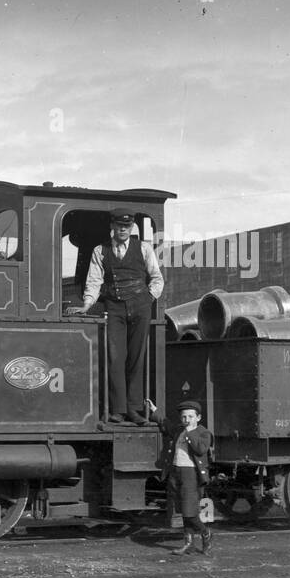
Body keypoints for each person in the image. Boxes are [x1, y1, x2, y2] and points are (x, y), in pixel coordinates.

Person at [65, 208, 164, 426]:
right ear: (112, 227)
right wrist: (87, 304)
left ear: (131, 228)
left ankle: (135, 409)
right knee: (115, 357)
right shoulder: (100, 250)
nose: (123, 230)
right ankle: (118, 410)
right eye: (119, 226)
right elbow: (94, 281)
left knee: (137, 357)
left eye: (127, 227)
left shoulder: (144, 248)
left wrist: (148, 298)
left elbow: (157, 278)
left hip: (141, 305)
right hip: (115, 308)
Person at [150, 398, 214, 555]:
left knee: (189, 511)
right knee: (182, 510)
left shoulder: (203, 433)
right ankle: (189, 543)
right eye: (184, 417)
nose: (187, 420)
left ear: (198, 418)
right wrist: (154, 410)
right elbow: (166, 425)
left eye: (191, 417)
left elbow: (200, 449)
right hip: (176, 472)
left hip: (190, 474)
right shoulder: (179, 430)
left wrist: (190, 432)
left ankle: (206, 532)